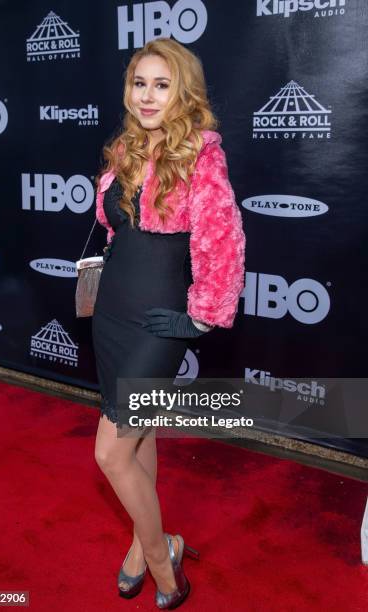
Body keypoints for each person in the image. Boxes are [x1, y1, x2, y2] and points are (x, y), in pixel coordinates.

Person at [91, 37, 245, 609]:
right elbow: (116, 231)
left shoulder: (202, 156)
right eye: (139, 83)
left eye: (162, 84)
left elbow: (222, 238)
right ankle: (143, 542)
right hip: (112, 312)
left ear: (182, 92)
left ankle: (162, 555)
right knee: (139, 439)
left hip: (161, 321)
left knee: (109, 452)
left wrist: (200, 318)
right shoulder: (124, 149)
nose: (148, 95)